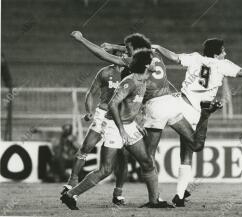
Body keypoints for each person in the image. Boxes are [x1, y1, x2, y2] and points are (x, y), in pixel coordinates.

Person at [72, 32, 221, 206]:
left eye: (128, 49)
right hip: (172, 101)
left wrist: (82, 39)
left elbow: (101, 54)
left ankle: (150, 196)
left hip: (155, 107)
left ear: (134, 50)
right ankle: (206, 114)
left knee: (146, 158)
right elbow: (142, 49)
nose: (126, 53)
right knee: (195, 145)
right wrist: (116, 46)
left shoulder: (135, 63)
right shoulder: (155, 55)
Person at [152, 38, 242, 206]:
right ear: (216, 54)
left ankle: (179, 195)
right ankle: (168, 194)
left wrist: (157, 46)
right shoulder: (222, 64)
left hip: (181, 103)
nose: (225, 53)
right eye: (223, 51)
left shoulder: (194, 57)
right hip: (193, 110)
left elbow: (174, 57)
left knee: (187, 151)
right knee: (194, 146)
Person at [60, 48, 174, 209]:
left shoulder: (144, 80)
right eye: (153, 60)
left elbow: (134, 105)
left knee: (147, 162)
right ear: (147, 65)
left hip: (129, 125)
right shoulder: (130, 81)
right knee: (106, 170)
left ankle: (154, 201)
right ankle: (70, 195)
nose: (156, 62)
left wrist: (137, 123)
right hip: (114, 125)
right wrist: (122, 130)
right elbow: (113, 104)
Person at [61, 47, 132, 205]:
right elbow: (90, 93)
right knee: (86, 147)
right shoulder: (105, 72)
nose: (126, 56)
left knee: (122, 159)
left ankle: (118, 193)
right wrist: (88, 111)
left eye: (127, 54)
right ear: (115, 57)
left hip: (120, 118)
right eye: (123, 55)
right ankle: (71, 183)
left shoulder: (131, 73)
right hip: (102, 115)